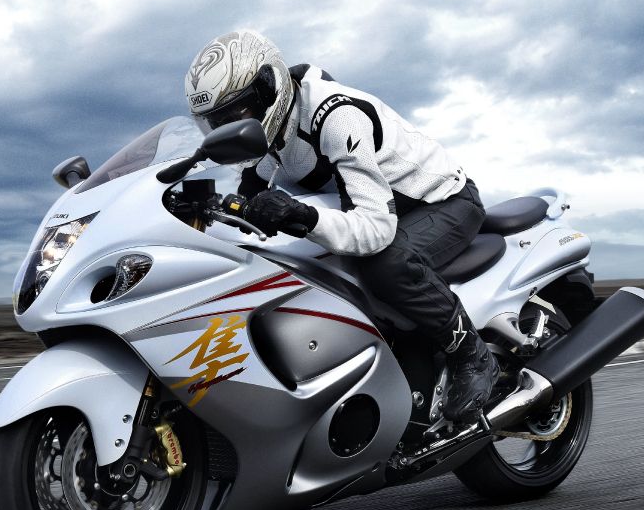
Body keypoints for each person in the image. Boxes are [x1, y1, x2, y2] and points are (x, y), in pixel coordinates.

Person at [184, 29, 499, 424]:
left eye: (237, 116)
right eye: (218, 123)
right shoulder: (271, 131)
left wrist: (302, 216)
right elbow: (246, 194)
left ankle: (471, 353)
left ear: (269, 87)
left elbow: (376, 229)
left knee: (384, 265)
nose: (232, 129)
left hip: (442, 200)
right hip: (381, 208)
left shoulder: (335, 116)